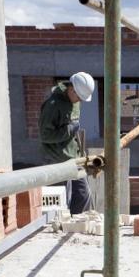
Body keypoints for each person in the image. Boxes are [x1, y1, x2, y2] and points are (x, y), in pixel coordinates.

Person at [39, 72, 95, 214]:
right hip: (57, 159)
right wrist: (68, 130)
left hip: (74, 157)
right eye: (79, 97)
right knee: (64, 200)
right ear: (71, 89)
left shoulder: (74, 101)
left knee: (83, 195)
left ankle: (79, 224)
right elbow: (45, 136)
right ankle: (66, 227)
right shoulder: (52, 105)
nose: (80, 101)